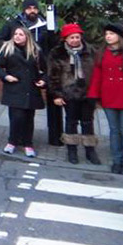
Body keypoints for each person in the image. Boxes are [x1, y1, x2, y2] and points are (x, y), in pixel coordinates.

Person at [0, 0, 60, 145]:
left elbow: (52, 44)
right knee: (16, 114)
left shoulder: (45, 25)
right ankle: (13, 140)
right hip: (16, 74)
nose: (32, 11)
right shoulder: (14, 24)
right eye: (29, 8)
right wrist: (9, 48)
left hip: (34, 71)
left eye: (35, 8)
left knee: (29, 114)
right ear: (24, 9)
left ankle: (27, 142)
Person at [48, 23, 99, 164]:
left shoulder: (91, 51)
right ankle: (72, 151)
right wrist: (57, 95)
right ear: (65, 39)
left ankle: (90, 150)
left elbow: (98, 72)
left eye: (77, 37)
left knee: (88, 122)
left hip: (88, 93)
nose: (75, 40)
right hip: (68, 93)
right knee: (71, 122)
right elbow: (53, 76)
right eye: (72, 38)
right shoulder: (57, 53)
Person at [88, 21, 123, 175]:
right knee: (114, 130)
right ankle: (117, 161)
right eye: (106, 34)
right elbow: (97, 76)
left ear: (120, 36)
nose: (108, 36)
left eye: (112, 34)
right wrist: (94, 95)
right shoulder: (102, 52)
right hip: (109, 97)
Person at [0, 27, 47, 158]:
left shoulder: (35, 51)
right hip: (14, 88)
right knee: (16, 117)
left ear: (27, 37)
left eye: (21, 34)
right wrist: (6, 76)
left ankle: (28, 144)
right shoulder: (7, 49)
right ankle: (12, 142)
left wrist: (43, 80)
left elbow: (45, 69)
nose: (17, 36)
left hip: (30, 89)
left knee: (29, 118)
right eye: (15, 34)